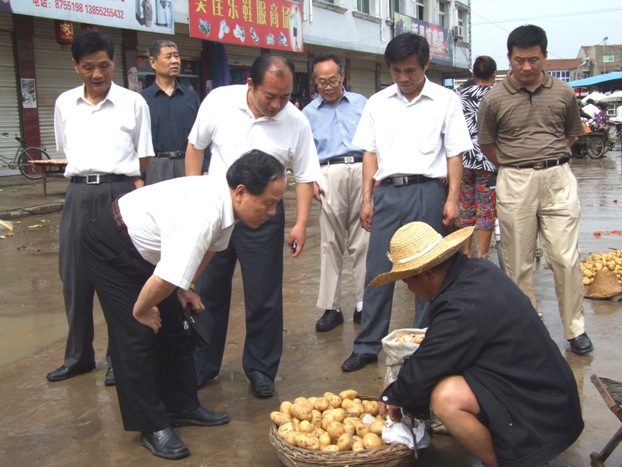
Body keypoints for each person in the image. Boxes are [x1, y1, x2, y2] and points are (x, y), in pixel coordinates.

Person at [81, 150, 286, 460]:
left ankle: (181, 406)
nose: (272, 212)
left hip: (148, 251)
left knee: (174, 325)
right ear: (242, 192)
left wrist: (185, 288)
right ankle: (151, 425)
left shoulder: (228, 205)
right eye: (268, 203)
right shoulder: (204, 212)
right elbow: (165, 277)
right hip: (111, 245)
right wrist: (140, 309)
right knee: (136, 334)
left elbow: (210, 249)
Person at [375, 221, 584, 467]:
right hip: (555, 398)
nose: (409, 288)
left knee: (445, 397)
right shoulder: (478, 270)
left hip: (543, 413)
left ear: (428, 275)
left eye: (407, 281)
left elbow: (426, 368)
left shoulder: (457, 304)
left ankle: (505, 463)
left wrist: (394, 395)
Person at [185, 54, 320, 396]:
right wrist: (194, 195)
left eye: (285, 97)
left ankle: (261, 369)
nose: (277, 105)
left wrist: (301, 223)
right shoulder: (218, 101)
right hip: (216, 214)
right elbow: (195, 147)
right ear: (250, 84)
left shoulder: (296, 122)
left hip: (264, 218)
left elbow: (305, 176)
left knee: (263, 296)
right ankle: (202, 364)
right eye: (270, 96)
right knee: (208, 292)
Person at [341, 32, 472, 372]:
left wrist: (452, 198)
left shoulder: (445, 100)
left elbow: (455, 153)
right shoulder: (378, 103)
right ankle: (368, 345)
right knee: (379, 270)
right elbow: (370, 154)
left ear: (425, 65)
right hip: (386, 193)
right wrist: (367, 199)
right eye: (396, 71)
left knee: (428, 270)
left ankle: (424, 343)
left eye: (410, 70)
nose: (403, 78)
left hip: (428, 192)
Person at [478, 24, 593, 355]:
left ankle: (575, 330)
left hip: (558, 179)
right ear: (509, 58)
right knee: (518, 262)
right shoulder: (494, 98)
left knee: (565, 258)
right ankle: (527, 332)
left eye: (533, 59)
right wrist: (517, 164)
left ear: (544, 55)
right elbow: (487, 144)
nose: (526, 67)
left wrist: (547, 159)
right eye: (519, 60)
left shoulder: (563, 93)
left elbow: (570, 135)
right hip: (515, 181)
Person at [47, 30, 153, 386]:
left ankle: (117, 359)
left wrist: (124, 184)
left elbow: (144, 156)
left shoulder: (133, 103)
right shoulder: (64, 103)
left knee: (120, 276)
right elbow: (65, 147)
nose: (97, 74)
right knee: (74, 277)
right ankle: (78, 358)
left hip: (118, 192)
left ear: (114, 62)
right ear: (75, 66)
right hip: (78, 194)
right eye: (88, 67)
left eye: (104, 66)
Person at [302, 53, 369, 332]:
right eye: (322, 82)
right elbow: (304, 152)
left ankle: (364, 304)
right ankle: (331, 307)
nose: (328, 86)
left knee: (364, 240)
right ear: (314, 82)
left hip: (363, 169)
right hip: (328, 172)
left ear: (342, 77)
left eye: (332, 80)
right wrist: (311, 180)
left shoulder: (362, 104)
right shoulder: (307, 114)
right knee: (330, 242)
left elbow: (374, 142)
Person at [140, 40, 201, 184]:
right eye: (168, 57)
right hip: (155, 166)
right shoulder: (142, 100)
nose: (175, 61)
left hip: (188, 164)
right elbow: (136, 142)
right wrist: (138, 178)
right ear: (153, 62)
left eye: (176, 56)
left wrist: (204, 168)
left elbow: (201, 135)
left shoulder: (190, 96)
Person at [455, 56, 497, 259]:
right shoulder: (498, 96)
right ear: (494, 74)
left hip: (462, 159)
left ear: (473, 74)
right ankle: (483, 254)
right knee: (485, 207)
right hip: (488, 160)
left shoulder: (457, 96)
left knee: (465, 205)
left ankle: (466, 252)